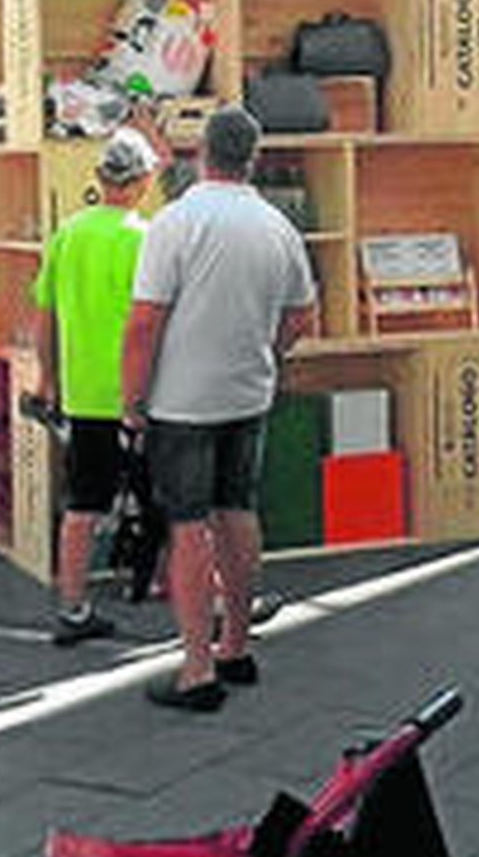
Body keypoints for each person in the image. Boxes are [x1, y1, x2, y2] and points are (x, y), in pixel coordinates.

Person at [122, 105, 317, 711]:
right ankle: (235, 645)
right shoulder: (276, 226)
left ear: (204, 151)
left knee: (188, 527)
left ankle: (196, 670)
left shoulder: (175, 223)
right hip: (247, 392)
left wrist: (132, 401)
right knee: (238, 511)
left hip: (182, 400)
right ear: (252, 157)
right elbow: (301, 314)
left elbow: (144, 324)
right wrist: (270, 352)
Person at [33, 127, 159, 645]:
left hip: (84, 394)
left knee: (83, 503)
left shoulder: (67, 234)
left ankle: (74, 607)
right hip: (140, 394)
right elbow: (150, 322)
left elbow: (46, 316)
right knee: (172, 500)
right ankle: (192, 594)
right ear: (144, 180)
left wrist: (48, 378)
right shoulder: (143, 237)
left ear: (101, 179)